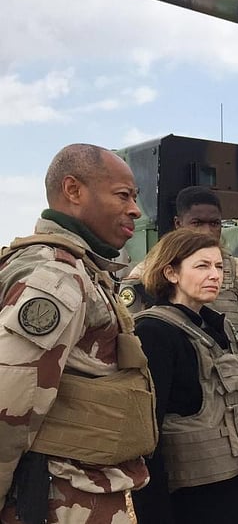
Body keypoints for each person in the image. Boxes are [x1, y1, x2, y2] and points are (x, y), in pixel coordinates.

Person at [0, 144, 155, 523]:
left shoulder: (80, 269)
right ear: (73, 191)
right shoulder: (57, 277)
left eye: (134, 197)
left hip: (72, 489)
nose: (135, 209)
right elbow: (10, 401)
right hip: (55, 497)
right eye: (122, 195)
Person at [130, 228, 238, 524]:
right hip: (189, 501)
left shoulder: (218, 327)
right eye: (202, 266)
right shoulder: (154, 333)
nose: (215, 275)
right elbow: (145, 438)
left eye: (219, 266)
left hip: (233, 490)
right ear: (171, 273)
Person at [121, 185, 238, 394]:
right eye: (197, 223)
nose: (207, 231)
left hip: (233, 390)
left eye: (214, 223)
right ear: (178, 224)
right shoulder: (148, 273)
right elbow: (126, 335)